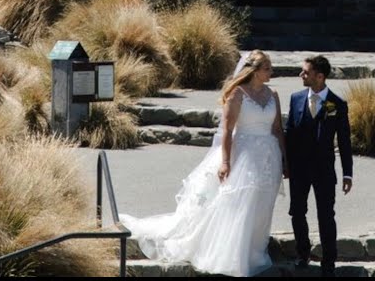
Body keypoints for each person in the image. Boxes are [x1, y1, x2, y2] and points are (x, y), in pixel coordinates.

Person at [119, 50, 286, 277]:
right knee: (241, 202)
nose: (271, 72)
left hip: (268, 156)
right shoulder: (238, 94)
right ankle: (234, 255)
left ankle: (254, 251)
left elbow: (277, 129)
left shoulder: (273, 94)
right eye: (267, 68)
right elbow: (227, 130)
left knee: (262, 203)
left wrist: (284, 158)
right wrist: (225, 162)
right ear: (254, 71)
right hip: (243, 154)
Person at [285, 54, 353, 278]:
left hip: (324, 170)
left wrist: (347, 173)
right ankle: (302, 254)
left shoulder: (337, 103)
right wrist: (285, 163)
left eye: (306, 72)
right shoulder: (295, 99)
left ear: (320, 76)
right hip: (299, 169)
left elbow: (344, 141)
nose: (301, 75)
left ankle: (328, 262)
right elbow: (290, 134)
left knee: (326, 216)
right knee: (297, 212)